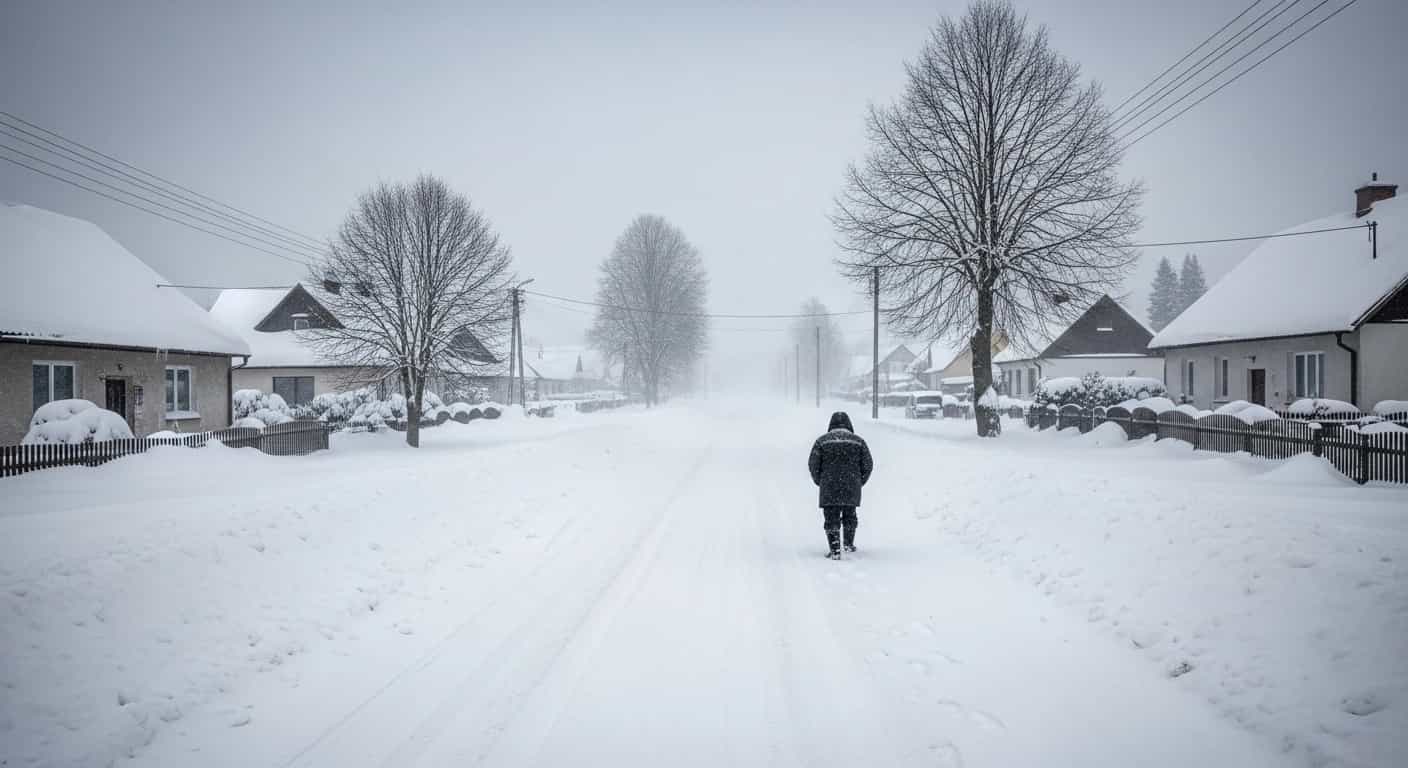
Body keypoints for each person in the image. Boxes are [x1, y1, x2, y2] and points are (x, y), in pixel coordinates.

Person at [807, 411, 874, 559]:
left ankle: (835, 548)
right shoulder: (858, 441)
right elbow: (868, 465)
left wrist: (821, 481)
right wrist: (858, 481)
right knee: (850, 515)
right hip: (852, 485)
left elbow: (813, 465)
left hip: (829, 486)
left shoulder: (822, 441)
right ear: (849, 425)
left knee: (831, 517)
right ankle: (848, 545)